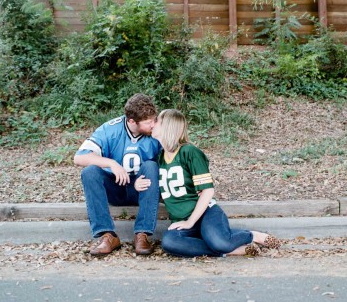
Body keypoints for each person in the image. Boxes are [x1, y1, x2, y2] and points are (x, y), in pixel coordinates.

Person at [138, 109, 281, 258]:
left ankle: (251, 236)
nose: (153, 124)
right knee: (170, 243)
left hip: (206, 214)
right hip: (181, 221)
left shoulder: (189, 152)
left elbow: (207, 191)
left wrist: (190, 222)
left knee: (220, 243)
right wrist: (137, 184)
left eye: (157, 121)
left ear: (168, 126)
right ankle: (233, 250)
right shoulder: (159, 158)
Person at [74, 93, 162, 256]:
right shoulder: (110, 130)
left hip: (143, 188)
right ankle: (107, 235)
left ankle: (142, 234)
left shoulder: (157, 131)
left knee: (150, 166)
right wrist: (111, 163)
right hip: (115, 188)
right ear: (131, 121)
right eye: (148, 122)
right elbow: (79, 157)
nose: (153, 124)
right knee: (90, 171)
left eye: (154, 119)